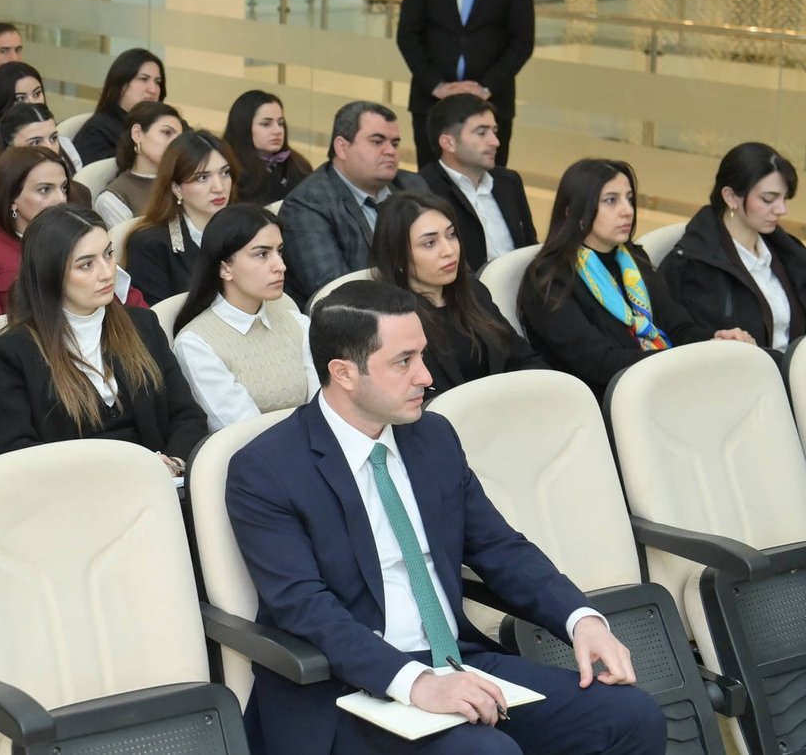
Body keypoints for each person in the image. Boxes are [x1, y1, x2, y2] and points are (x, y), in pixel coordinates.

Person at [225, 279, 664, 755]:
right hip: (345, 687)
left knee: (631, 716)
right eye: (404, 361)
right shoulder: (266, 468)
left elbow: (499, 547)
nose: (426, 376)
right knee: (487, 753)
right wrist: (414, 682)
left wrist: (581, 621)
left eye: (422, 355)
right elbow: (302, 606)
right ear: (344, 373)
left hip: (455, 662)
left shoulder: (432, 436)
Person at [0, 205, 207, 463]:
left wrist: (174, 463)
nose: (107, 272)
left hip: (162, 480)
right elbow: (18, 453)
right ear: (49, 273)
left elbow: (187, 415)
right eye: (86, 264)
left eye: (108, 254)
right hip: (76, 485)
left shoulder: (143, 325)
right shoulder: (11, 354)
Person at [518, 158, 754, 399]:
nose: (627, 210)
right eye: (611, 200)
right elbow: (599, 363)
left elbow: (678, 327)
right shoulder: (549, 280)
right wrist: (682, 362)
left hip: (664, 383)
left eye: (629, 199)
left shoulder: (634, 259)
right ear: (575, 212)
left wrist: (715, 341)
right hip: (608, 402)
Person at [397, 0, 536, 168]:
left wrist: (484, 88)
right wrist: (438, 86)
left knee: (488, 180)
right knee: (433, 181)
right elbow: (408, 35)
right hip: (432, 101)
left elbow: (522, 42)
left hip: (491, 102)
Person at [371, 192, 546, 398]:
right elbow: (415, 399)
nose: (449, 250)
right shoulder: (392, 319)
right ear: (398, 256)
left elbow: (523, 358)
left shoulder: (472, 291)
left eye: (451, 235)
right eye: (430, 243)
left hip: (508, 406)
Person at [172, 203, 319, 428]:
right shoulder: (196, 344)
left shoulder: (298, 323)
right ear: (225, 269)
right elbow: (243, 431)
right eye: (262, 254)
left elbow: (324, 409)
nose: (280, 266)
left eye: (279, 251)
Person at [280, 101, 428, 308]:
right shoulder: (307, 204)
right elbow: (337, 293)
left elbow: (454, 265)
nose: (390, 151)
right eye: (377, 141)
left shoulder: (412, 185)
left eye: (394, 143)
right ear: (342, 147)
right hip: (362, 318)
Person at [663, 142, 806, 354]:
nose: (782, 209)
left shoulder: (786, 251)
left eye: (784, 198)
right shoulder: (695, 266)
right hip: (748, 371)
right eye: (768, 199)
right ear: (730, 197)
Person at [418, 93, 537, 272]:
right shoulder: (423, 189)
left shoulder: (508, 182)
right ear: (448, 143)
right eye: (482, 133)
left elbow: (529, 245)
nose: (495, 142)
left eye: (494, 131)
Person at [0, 146, 71, 317]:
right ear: (12, 199)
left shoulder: (77, 236)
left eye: (63, 188)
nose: (61, 199)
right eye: (45, 190)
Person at [124, 131, 238, 303]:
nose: (219, 187)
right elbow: (157, 315)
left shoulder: (246, 229)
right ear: (176, 188)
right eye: (203, 178)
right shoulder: (149, 244)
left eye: (225, 173)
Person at [95, 101, 185, 227]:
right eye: (166, 132)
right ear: (137, 134)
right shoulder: (113, 198)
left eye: (179, 138)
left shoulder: (184, 181)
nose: (175, 143)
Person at [72, 47, 166, 165]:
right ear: (121, 84)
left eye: (157, 82)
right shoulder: (96, 133)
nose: (153, 90)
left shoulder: (163, 125)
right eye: (143, 79)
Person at [223, 90, 313, 205]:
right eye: (266, 124)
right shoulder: (227, 168)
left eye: (280, 123)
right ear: (244, 127)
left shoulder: (299, 167)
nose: (278, 131)